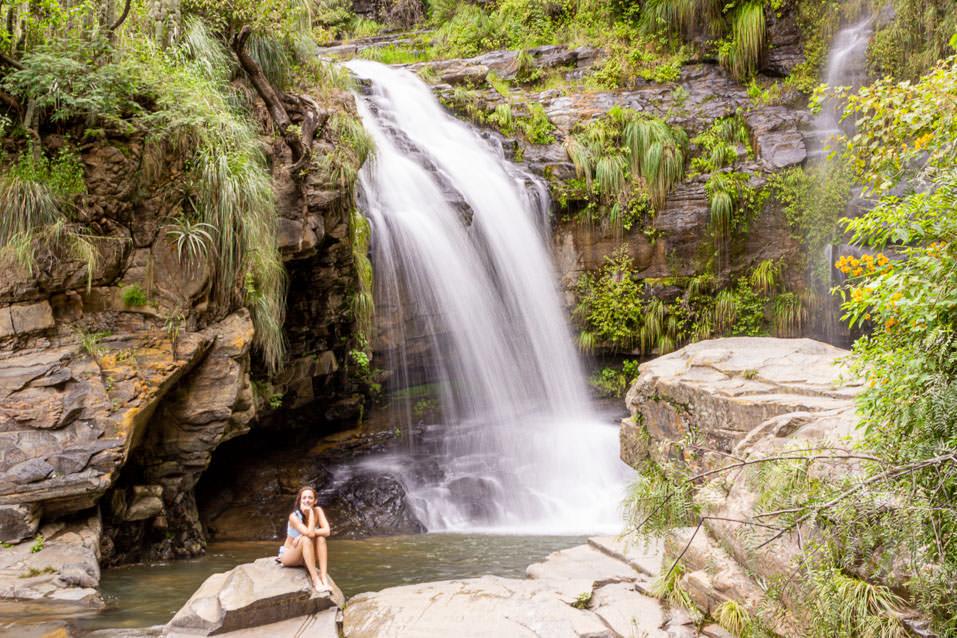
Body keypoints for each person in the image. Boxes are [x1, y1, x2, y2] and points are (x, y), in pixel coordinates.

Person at [278, 485, 331, 592]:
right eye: (304, 498)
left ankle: (324, 578)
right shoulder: (294, 516)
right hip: (290, 556)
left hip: (307, 555)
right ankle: (316, 581)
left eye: (310, 498)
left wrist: (302, 535)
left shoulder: (318, 510)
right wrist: (310, 514)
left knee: (321, 538)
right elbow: (309, 534)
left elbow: (327, 531)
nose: (307, 500)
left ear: (315, 501)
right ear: (300, 501)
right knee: (307, 539)